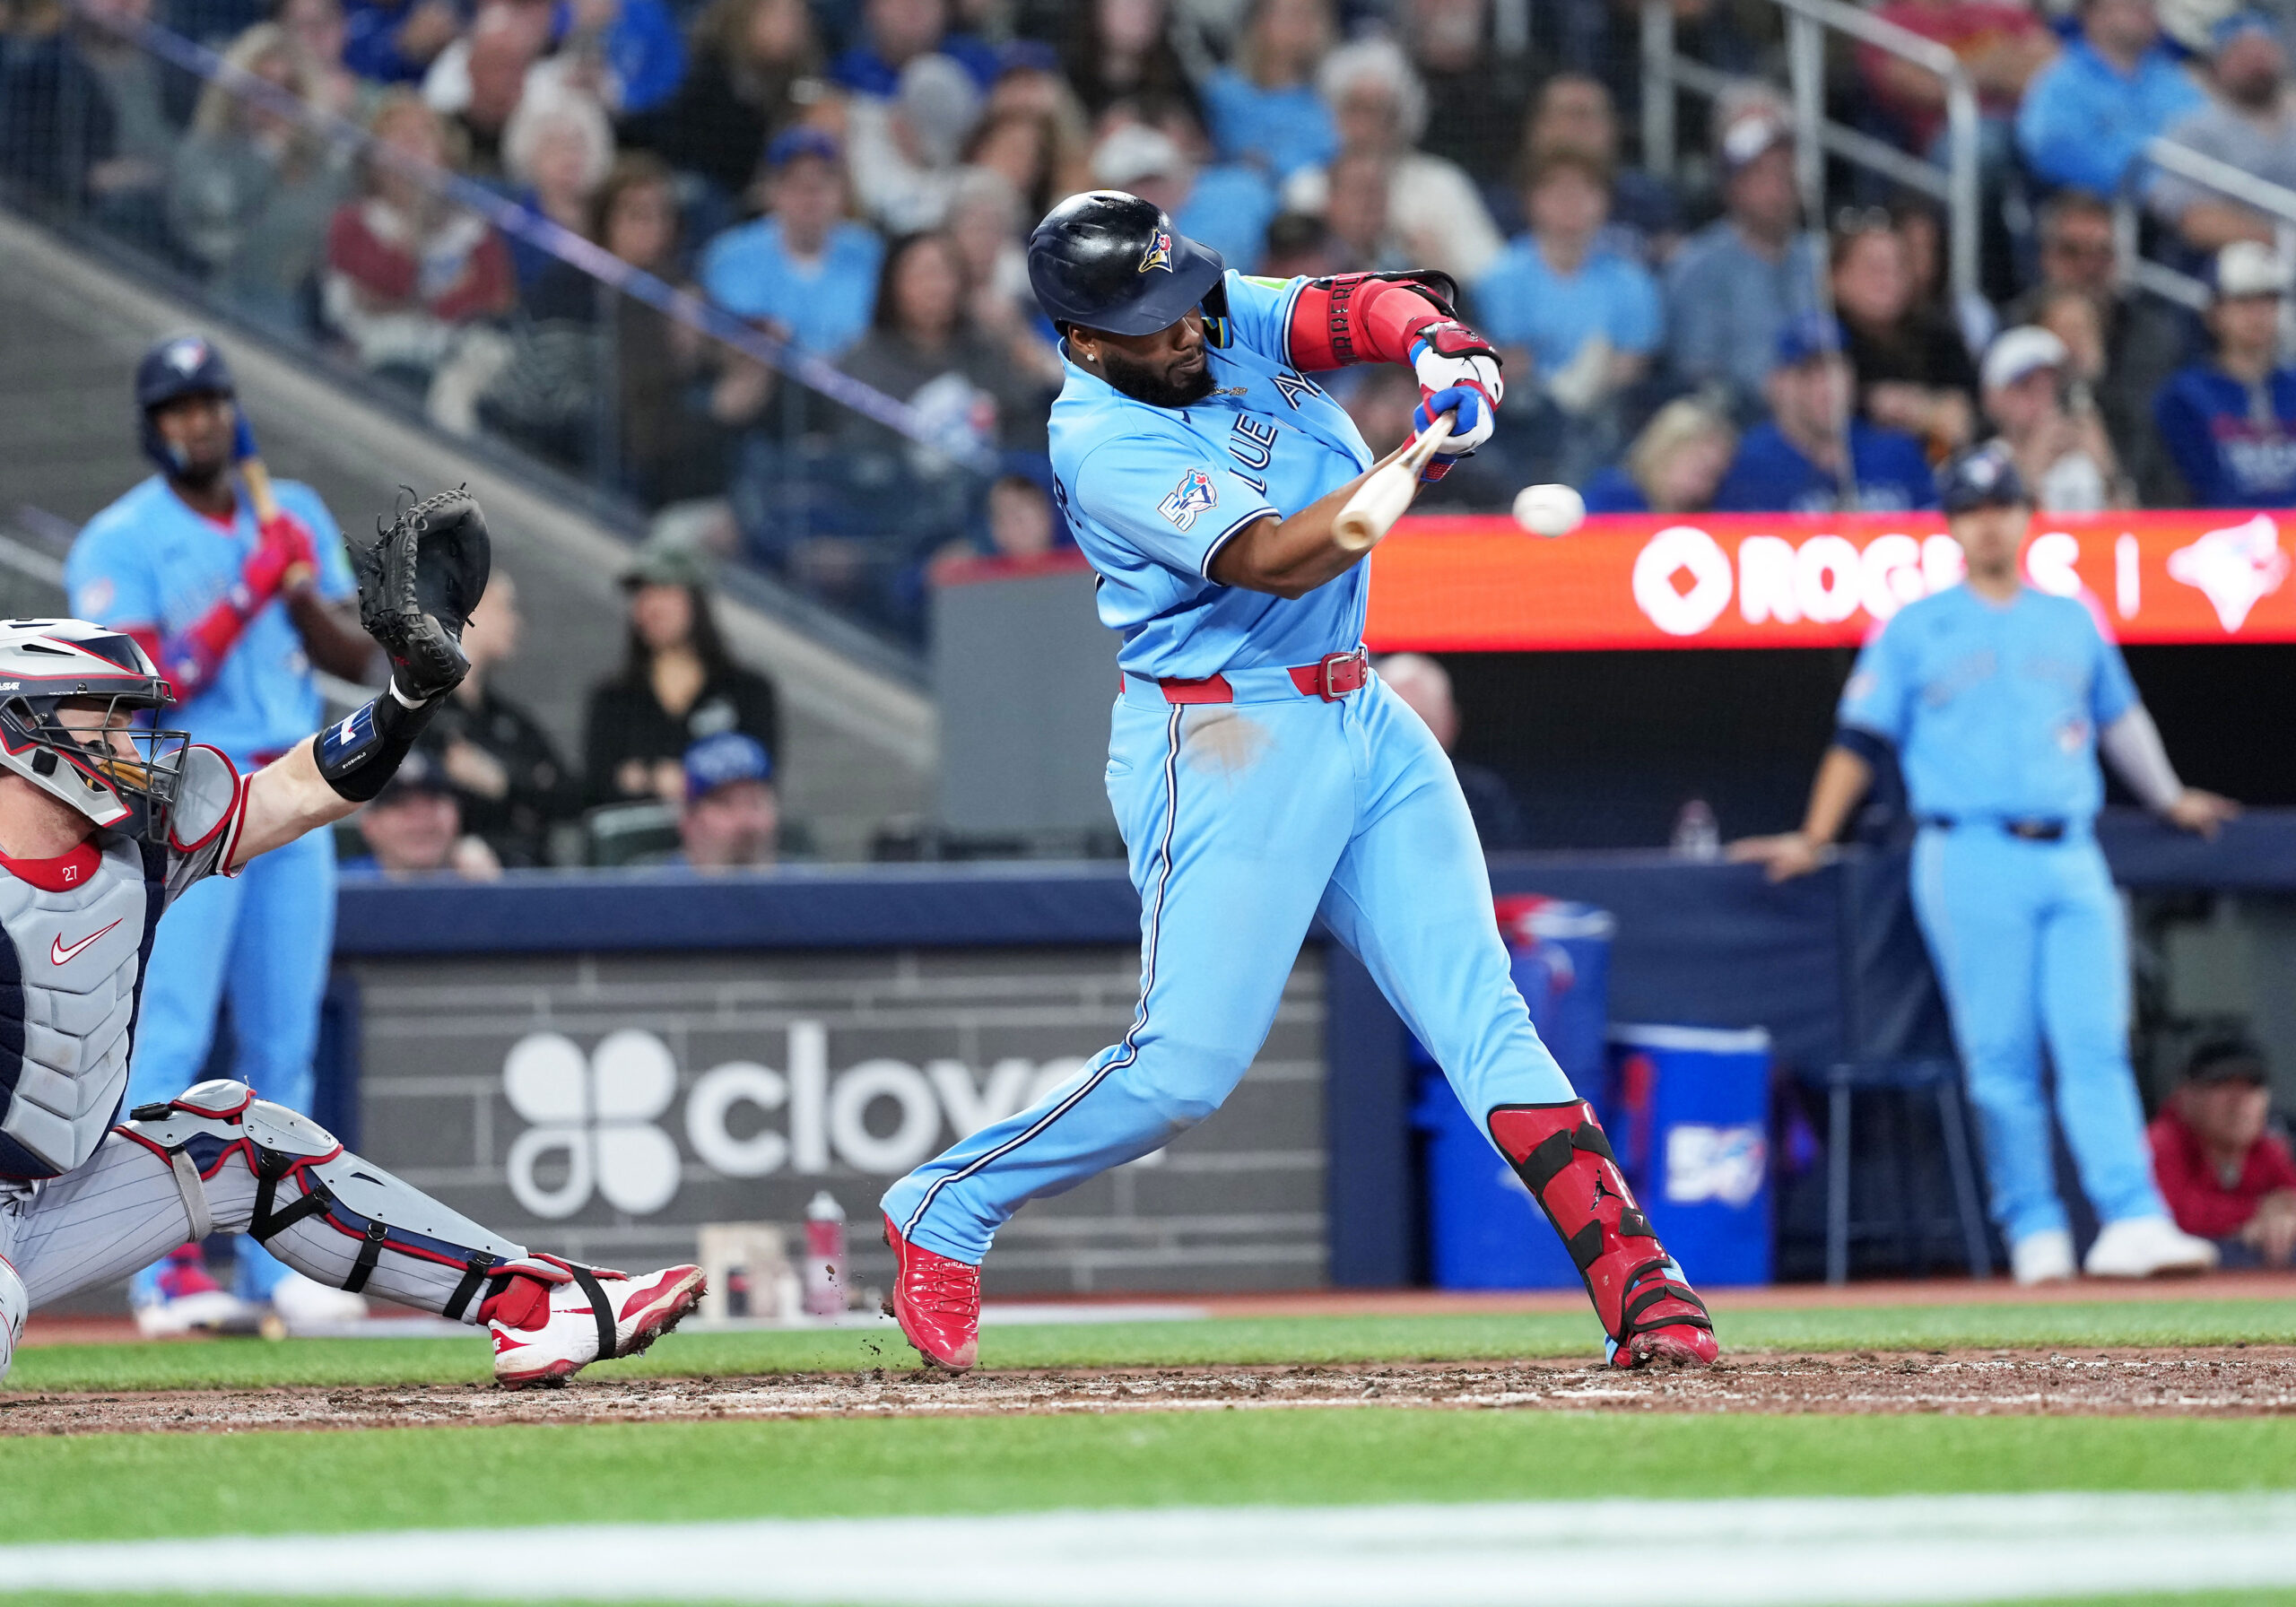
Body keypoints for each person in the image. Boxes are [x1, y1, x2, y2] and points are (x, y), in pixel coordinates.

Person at [874, 190, 1719, 1376]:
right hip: (1226, 738)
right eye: (1151, 322)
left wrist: (1439, 347)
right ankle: (947, 1203)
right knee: (1184, 1072)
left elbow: (1351, 310)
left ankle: (1642, 1285)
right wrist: (1413, 463)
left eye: (1183, 303)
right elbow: (1276, 557)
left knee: (1484, 1015)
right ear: (1081, 341)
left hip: (1357, 710)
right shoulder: (1104, 441)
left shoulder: (1205, 317)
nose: (1186, 331)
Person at [0, 515, 705, 1387]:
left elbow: (294, 791)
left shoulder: (144, 837)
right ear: (20, 734)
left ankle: (539, 1304)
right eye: (100, 718)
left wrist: (406, 700)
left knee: (243, 1142)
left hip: (40, 1204)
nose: (129, 742)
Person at [1732, 442, 2238, 1285]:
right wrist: (1816, 836)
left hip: (2070, 849)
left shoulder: (2070, 616)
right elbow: (1861, 739)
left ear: (2024, 514)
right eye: (1971, 509)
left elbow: (2121, 719)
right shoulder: (1916, 626)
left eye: (2001, 505)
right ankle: (2034, 1227)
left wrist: (2171, 795)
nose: (1989, 522)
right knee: (2000, 1054)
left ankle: (2131, 1217)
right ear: (1954, 525)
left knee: (2095, 1043)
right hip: (1965, 849)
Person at [65, 335, 380, 1333]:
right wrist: (253, 578)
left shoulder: (290, 510)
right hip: (182, 800)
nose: (198, 422)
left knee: (284, 1050)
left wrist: (292, 578)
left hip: (293, 788)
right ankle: (161, 1276)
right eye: (176, 408)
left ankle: (278, 1269)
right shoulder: (118, 539)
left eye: (210, 403)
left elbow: (346, 650)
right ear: (152, 425)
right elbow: (148, 686)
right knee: (172, 1040)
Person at [1474, 145, 1662, 484]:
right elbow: (1511, 363)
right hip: (1523, 424)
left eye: (1585, 191)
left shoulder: (1633, 283)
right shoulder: (1501, 278)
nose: (1571, 203)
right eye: (1557, 191)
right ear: (1532, 201)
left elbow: (1630, 367)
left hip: (1607, 421)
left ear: (1604, 202)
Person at [321, 91, 517, 398]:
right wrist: (434, 289)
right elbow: (364, 300)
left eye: (424, 134)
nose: (411, 145)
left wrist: (422, 304)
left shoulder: (472, 231)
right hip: (372, 360)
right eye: (398, 134)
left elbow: (494, 303)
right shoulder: (353, 222)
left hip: (455, 365)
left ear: (446, 157)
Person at [2004, 192, 2190, 505]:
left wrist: (2108, 465)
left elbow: (2157, 459)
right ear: (2045, 257)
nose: (2089, 266)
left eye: (2103, 253)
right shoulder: (2013, 331)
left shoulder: (2153, 339)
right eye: (2072, 252)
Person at [166, 22, 352, 332]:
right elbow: (215, 228)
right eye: (259, 84)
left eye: (287, 88)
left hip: (293, 306)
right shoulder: (204, 149)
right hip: (208, 290)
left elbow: (320, 248)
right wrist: (264, 159)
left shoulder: (326, 167)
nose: (272, 99)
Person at [1278, 37, 1504, 286]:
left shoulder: (1443, 184)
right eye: (1356, 108)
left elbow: (1493, 278)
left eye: (1381, 111)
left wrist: (1440, 267)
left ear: (1403, 117)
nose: (1367, 124)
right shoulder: (1306, 186)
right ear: (1335, 113)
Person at [583, 540, 779, 806]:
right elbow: (598, 787)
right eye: (642, 595)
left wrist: (652, 778)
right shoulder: (614, 698)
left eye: (664, 591)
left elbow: (758, 783)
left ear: (695, 600)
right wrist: (690, 780)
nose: (652, 607)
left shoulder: (747, 691)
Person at [1663, 102, 1824, 421]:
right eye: (1760, 174)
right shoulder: (1698, 266)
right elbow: (1696, 373)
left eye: (1785, 172)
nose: (1777, 189)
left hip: (1821, 422)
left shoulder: (1819, 256)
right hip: (1737, 425)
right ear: (1731, 186)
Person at [424, 569, 577, 868]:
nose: (516, 623)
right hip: (447, 875)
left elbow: (569, 794)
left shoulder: (508, 718)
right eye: (504, 608)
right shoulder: (420, 711)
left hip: (527, 867)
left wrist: (502, 780)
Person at [1713, 316, 1940, 513]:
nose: (1827, 387)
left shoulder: (1896, 452)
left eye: (1836, 370)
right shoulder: (1748, 465)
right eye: (1808, 374)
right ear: (1778, 383)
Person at [700, 128, 884, 360]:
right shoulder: (731, 257)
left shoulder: (872, 254)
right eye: (794, 182)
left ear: (843, 192)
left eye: (823, 181)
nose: (810, 195)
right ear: (771, 191)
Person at [2155, 240, 2296, 506]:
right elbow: (2190, 486)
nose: (2258, 314)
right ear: (2214, 312)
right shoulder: (2185, 396)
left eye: (2269, 300)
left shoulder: (2293, 386)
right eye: (2244, 300)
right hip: (2218, 538)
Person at [639, 0, 822, 202]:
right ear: (746, 17)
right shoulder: (710, 72)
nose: (790, 25)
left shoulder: (800, 78)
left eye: (796, 16)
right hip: (700, 176)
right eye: (778, 14)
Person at [2015, 0, 2202, 198]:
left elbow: (2207, 142)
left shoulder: (2175, 81)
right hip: (2101, 209)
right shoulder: (2062, 81)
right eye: (2132, 6)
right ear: (2094, 14)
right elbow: (2052, 150)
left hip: (2188, 205)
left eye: (2150, 6)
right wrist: (2149, 185)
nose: (2146, 11)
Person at [1831, 211, 1979, 457]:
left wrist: (1921, 410)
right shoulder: (1822, 342)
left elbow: (1969, 411)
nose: (1888, 280)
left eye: (1898, 268)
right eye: (1874, 269)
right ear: (1835, 277)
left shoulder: (1940, 339)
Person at [2149, 14, 2296, 254]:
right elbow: (2190, 215)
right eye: (2242, 52)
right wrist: (2283, 242)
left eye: (2263, 49)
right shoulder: (2194, 130)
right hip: (2235, 264)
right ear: (2217, 65)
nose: (2256, 61)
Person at [2148, 1038, 2296, 1268]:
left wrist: (2286, 1212)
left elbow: (2289, 1196)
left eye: (2252, 1087)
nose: (2239, 1101)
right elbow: (2177, 1214)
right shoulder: (2162, 1140)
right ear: (2185, 1095)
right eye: (2221, 1085)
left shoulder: (2267, 1147)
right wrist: (2256, 1212)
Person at [1858, 0, 2056, 158]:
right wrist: (1992, 66)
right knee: (1985, 142)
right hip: (1945, 136)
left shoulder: (1999, 11)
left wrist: (1959, 70)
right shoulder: (1890, 21)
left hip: (2025, 120)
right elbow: (1923, 89)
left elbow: (2056, 68)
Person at [1375, 653, 1527, 849]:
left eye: (1424, 724)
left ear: (1451, 723)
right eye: (1395, 725)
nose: (1409, 740)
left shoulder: (1481, 798)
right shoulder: (1347, 795)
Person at [1980, 325, 2126, 510]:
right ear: (1994, 398)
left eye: (2051, 387)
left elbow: (2134, 532)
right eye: (2027, 387)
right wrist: (2031, 472)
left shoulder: (2080, 461)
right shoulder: (1984, 466)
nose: (2043, 399)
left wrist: (2107, 473)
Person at [1198, 0, 1339, 182]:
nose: (1305, 24)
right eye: (1294, 14)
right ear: (1260, 21)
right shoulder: (1221, 92)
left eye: (1312, 15)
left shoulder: (1326, 103)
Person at [500, 83, 615, 291]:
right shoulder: (511, 226)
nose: (569, 157)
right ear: (528, 153)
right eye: (553, 144)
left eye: (577, 143)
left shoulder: (612, 218)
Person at [342, 746, 504, 879]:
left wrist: (490, 893)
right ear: (369, 824)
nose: (421, 820)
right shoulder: (337, 885)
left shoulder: (476, 879)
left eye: (432, 803)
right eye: (401, 806)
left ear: (456, 814)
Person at [1580, 397, 1737, 514]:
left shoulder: (1715, 513)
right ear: (1664, 452)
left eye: (1715, 472)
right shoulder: (1611, 498)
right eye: (1698, 460)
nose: (1706, 478)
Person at [671, 732, 779, 870]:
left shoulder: (808, 885)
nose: (745, 822)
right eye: (725, 804)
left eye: (755, 803)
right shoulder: (650, 888)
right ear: (688, 821)